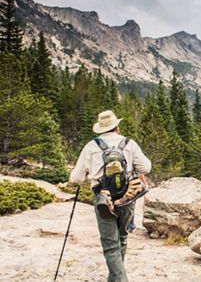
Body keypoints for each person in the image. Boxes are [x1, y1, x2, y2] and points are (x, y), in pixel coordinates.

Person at [70, 110, 151, 282]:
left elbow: (76, 178)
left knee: (110, 245)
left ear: (100, 129)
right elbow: (145, 168)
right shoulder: (129, 144)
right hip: (127, 197)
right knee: (122, 238)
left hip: (103, 199)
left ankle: (118, 279)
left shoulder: (91, 146)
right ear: (117, 127)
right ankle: (117, 278)